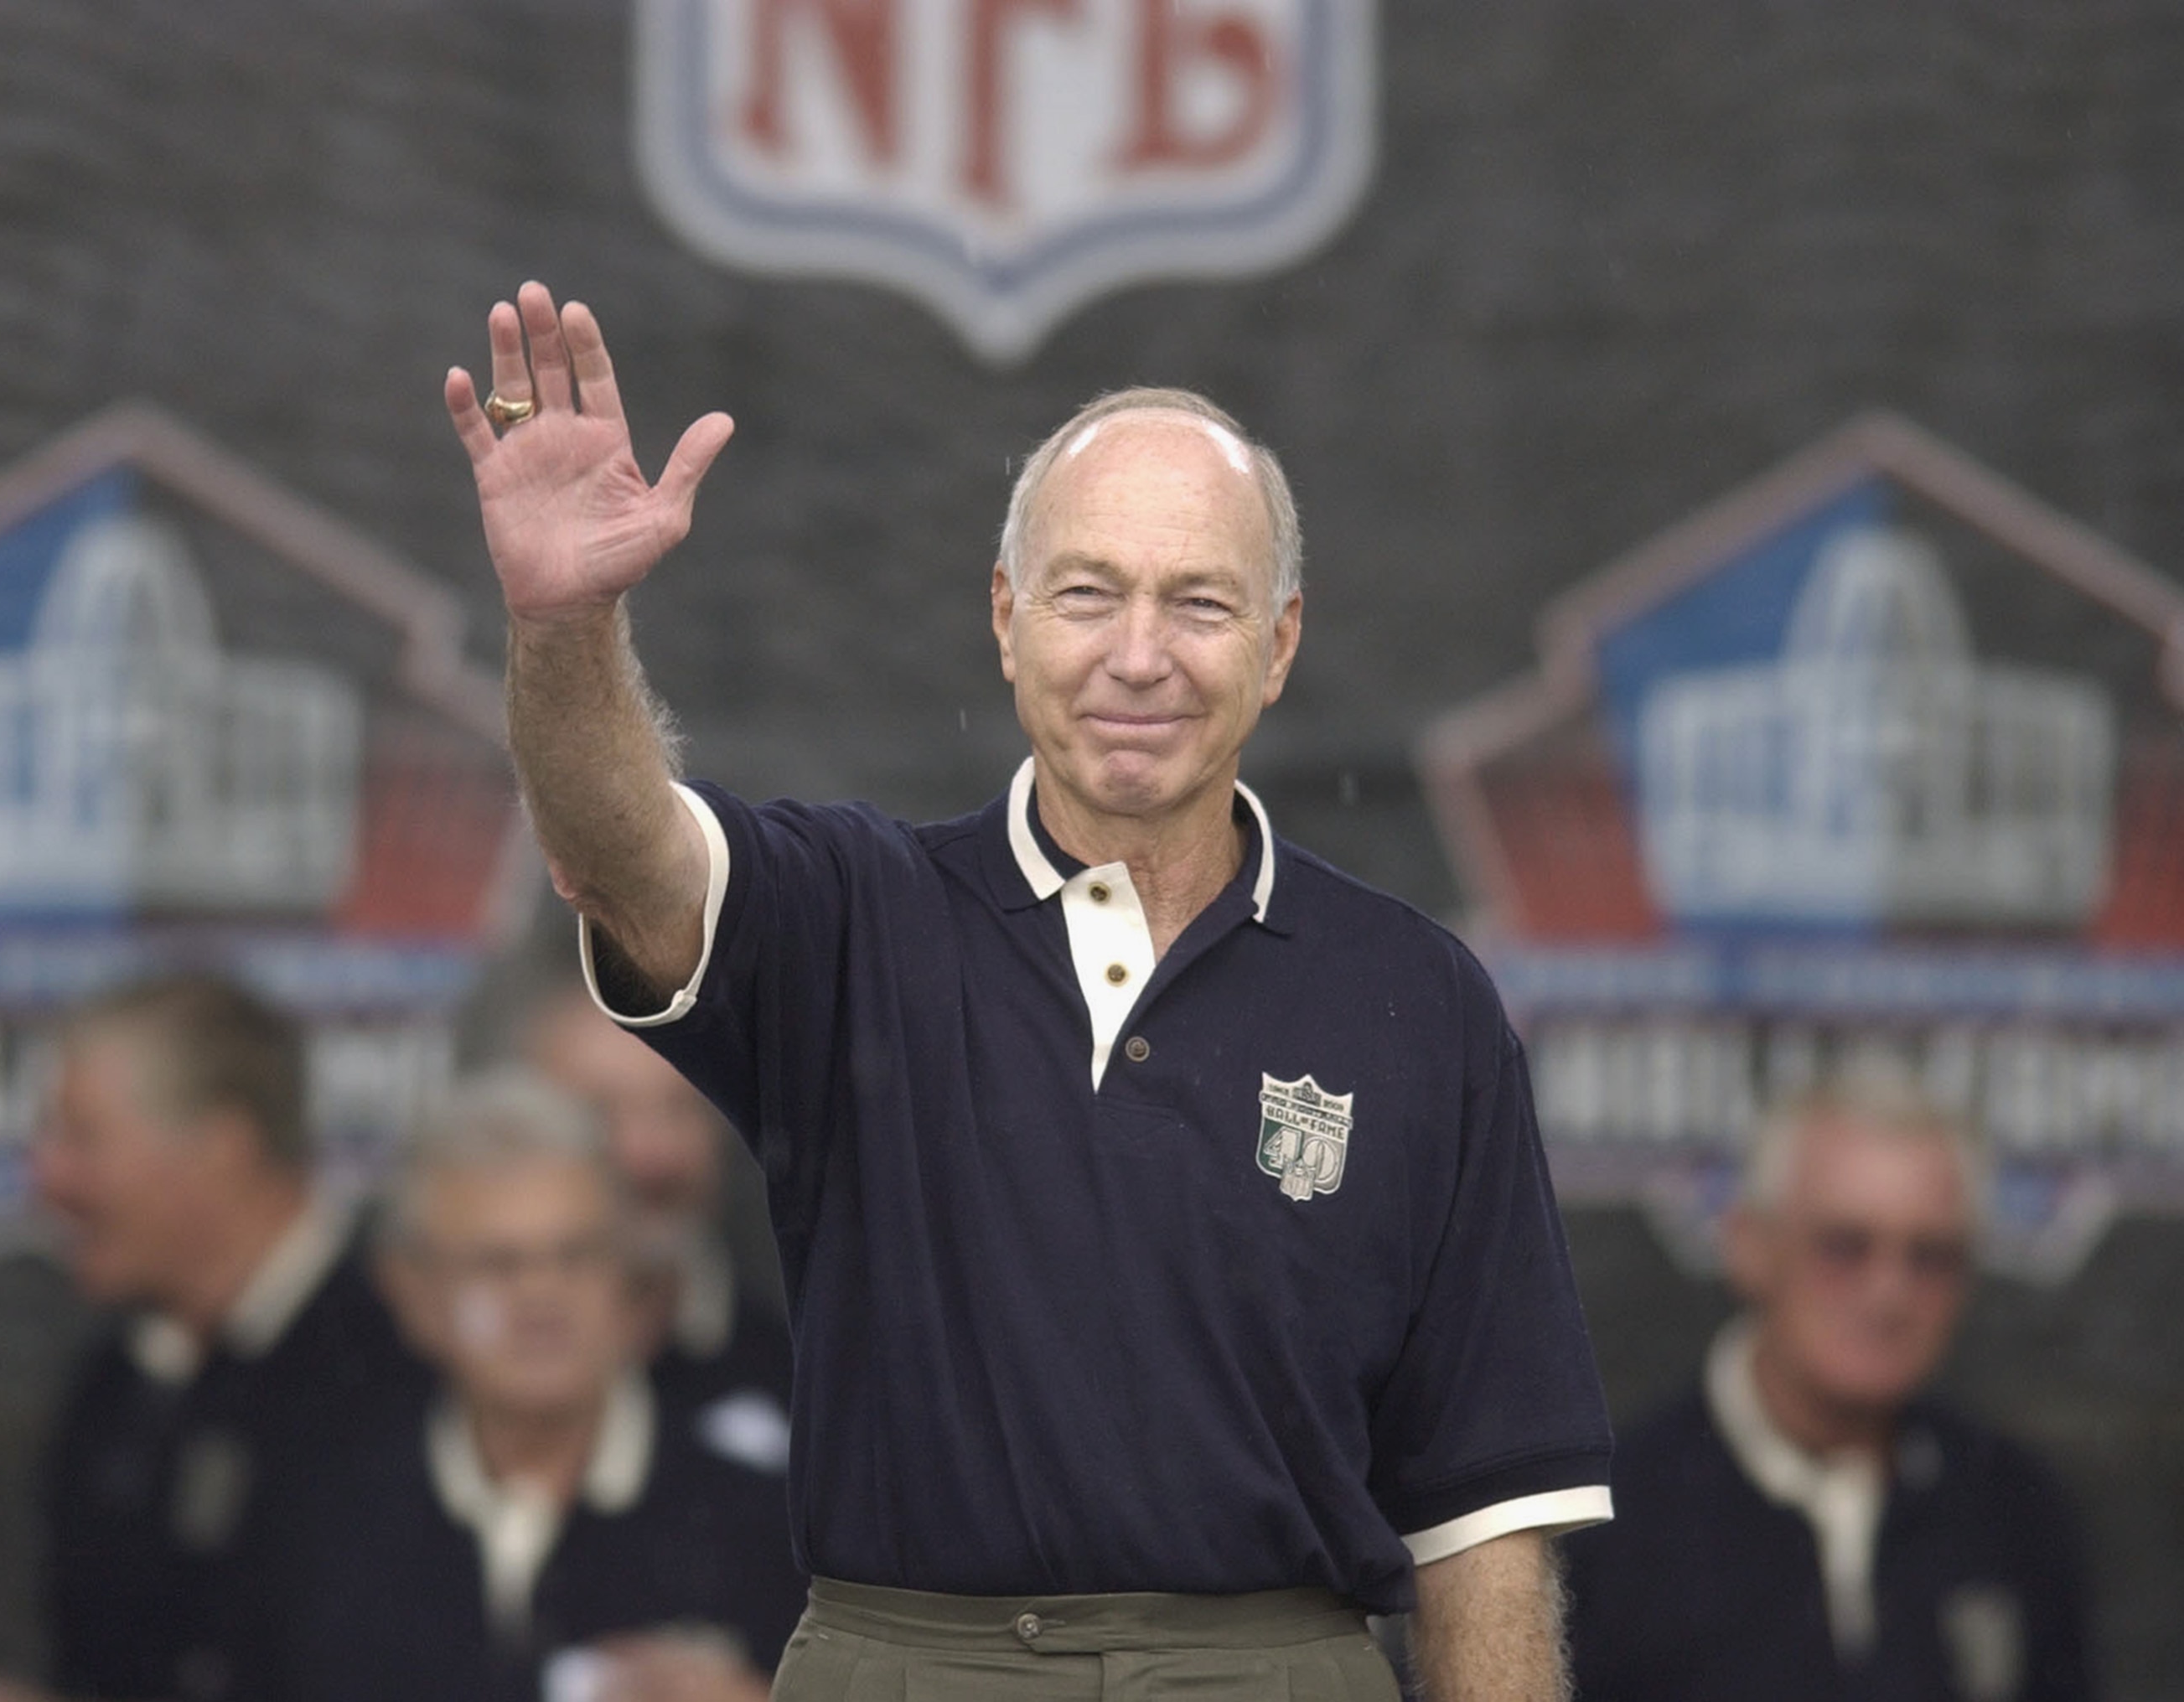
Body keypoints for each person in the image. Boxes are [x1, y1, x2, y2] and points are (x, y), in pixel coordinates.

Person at [439, 282, 1614, 1700]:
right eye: (1085, 593)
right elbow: (621, 853)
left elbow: (1480, 1527)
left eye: (1196, 602)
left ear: (1280, 646)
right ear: (1003, 620)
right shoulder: (854, 921)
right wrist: (564, 626)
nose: (1137, 655)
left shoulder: (1414, 999)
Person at [0, 973, 428, 1702]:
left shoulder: (404, 1374)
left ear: (223, 1147)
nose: (44, 1175)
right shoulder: (113, 1387)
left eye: (82, 1137)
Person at [245, 1073, 801, 1702]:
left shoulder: (770, 1526)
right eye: (498, 1264)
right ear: (412, 1291)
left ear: (631, 1278)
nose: (542, 1298)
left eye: (576, 1255)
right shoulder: (316, 1520)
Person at [1564, 1071, 2096, 1701]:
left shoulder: (2011, 1509)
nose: (1888, 1293)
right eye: (1845, 1246)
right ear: (1750, 1247)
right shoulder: (1606, 1526)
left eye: (1930, 1255)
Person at [517, 981, 792, 1440]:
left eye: (681, 1109)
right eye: (600, 1113)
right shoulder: (411, 1362)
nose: (652, 1156)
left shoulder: (801, 1364)